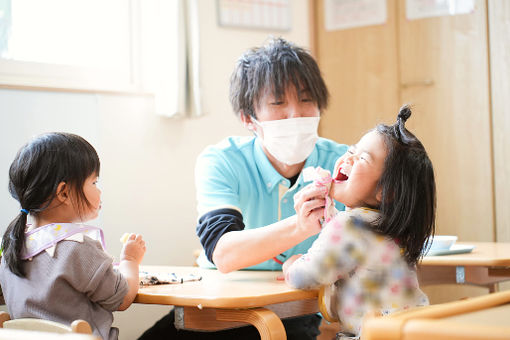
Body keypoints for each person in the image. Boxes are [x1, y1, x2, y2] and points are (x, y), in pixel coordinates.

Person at [138, 37, 348, 339]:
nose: (295, 114)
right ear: (248, 118)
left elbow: (372, 238)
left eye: (306, 100)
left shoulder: (341, 163)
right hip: (214, 307)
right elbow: (223, 253)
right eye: (278, 103)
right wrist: (301, 226)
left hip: (291, 313)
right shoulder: (222, 161)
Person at [283, 105, 436, 340]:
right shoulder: (394, 230)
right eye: (351, 150)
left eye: (362, 158)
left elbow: (305, 277)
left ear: (386, 192)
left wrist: (291, 266)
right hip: (413, 330)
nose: (348, 158)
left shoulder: (349, 225)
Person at [0, 132, 146, 340]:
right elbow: (122, 298)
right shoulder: (77, 248)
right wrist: (130, 260)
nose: (99, 191)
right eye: (94, 183)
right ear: (64, 193)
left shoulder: (12, 246)